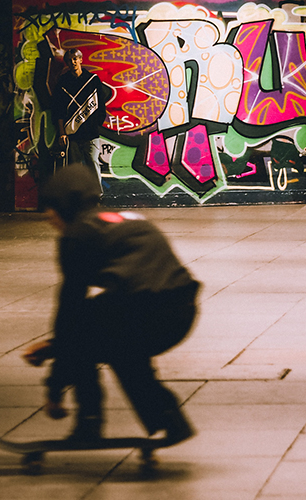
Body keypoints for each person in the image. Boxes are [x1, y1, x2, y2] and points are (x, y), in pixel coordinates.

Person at [24, 165, 199, 444]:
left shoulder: (77, 236)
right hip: (182, 307)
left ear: (65, 206)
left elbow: (69, 311)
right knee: (120, 348)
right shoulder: (126, 218)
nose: (49, 218)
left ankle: (88, 425)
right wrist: (56, 344)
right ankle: (168, 417)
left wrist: (54, 387)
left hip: (147, 309)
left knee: (83, 338)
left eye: (51, 210)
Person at [52, 48, 110, 186]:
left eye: (75, 59)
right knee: (75, 168)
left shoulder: (93, 80)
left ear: (80, 60)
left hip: (91, 134)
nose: (73, 62)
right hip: (72, 134)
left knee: (93, 164)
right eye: (70, 60)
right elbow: (58, 110)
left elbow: (101, 106)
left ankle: (97, 196)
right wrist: (62, 133)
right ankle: (78, 196)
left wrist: (96, 125)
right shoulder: (63, 83)